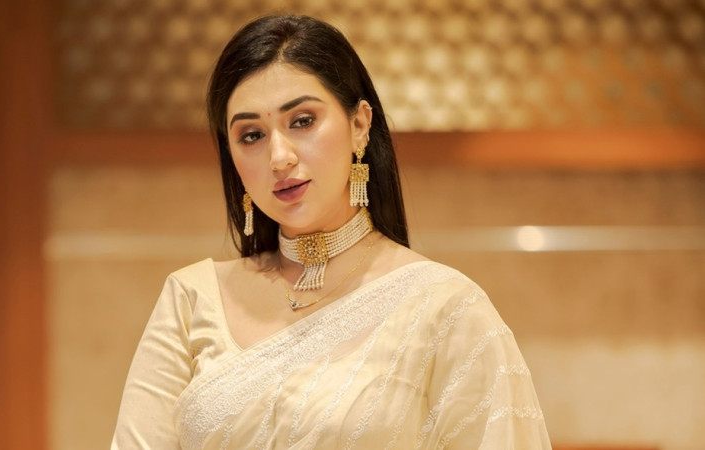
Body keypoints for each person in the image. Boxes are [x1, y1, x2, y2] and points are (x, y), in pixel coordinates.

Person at [111, 14, 551, 449]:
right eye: (251, 135)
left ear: (359, 125)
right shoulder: (192, 300)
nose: (279, 157)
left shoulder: (445, 306)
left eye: (302, 121)